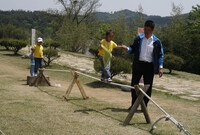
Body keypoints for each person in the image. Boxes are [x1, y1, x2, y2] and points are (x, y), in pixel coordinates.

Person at [121, 20, 164, 110]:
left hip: (149, 66)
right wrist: (127, 48)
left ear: (152, 30)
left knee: (148, 87)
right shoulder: (139, 38)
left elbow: (160, 55)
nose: (146, 32)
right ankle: (134, 105)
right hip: (138, 64)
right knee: (134, 85)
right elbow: (132, 48)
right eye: (145, 29)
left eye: (148, 30)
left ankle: (144, 106)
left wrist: (160, 67)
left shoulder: (157, 42)